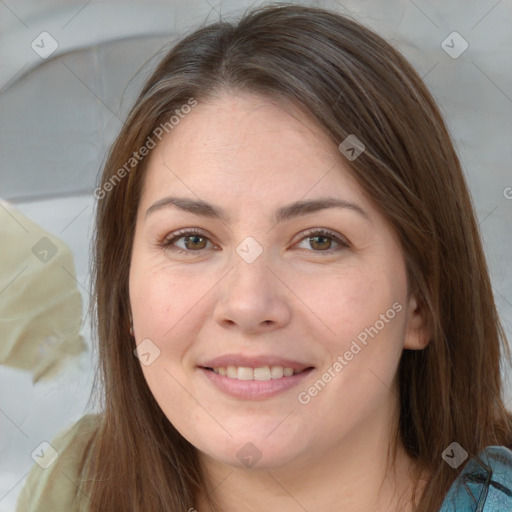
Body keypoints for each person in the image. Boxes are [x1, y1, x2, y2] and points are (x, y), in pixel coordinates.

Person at [16, 3, 512, 511]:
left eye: (320, 240)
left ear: (420, 302)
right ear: (125, 294)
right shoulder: (71, 484)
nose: (249, 304)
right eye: (192, 240)